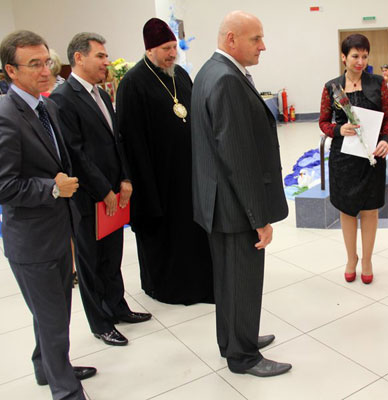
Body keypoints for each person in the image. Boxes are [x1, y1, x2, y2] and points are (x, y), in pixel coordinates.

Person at [191, 10, 291, 377]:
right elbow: (238, 158)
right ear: (231, 39)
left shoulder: (210, 71)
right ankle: (244, 356)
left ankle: (234, 339)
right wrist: (258, 218)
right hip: (234, 206)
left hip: (217, 201)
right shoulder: (227, 80)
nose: (263, 46)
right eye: (256, 38)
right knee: (242, 281)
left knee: (228, 280)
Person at [0, 30, 95, 400]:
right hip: (32, 241)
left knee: (55, 312)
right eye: (34, 64)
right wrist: (52, 188)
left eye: (47, 62)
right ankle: (65, 389)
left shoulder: (47, 107)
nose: (45, 71)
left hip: (59, 230)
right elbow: (4, 186)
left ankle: (48, 366)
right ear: (11, 70)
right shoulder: (6, 116)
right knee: (53, 318)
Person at [51, 32, 152, 347]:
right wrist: (104, 191)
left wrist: (125, 179)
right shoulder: (64, 99)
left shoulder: (103, 95)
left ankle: (117, 307)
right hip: (89, 199)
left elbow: (115, 141)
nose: (106, 62)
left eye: (106, 56)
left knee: (112, 257)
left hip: (114, 194)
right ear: (79, 58)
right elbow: (76, 154)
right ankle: (100, 322)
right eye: (100, 56)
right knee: (91, 264)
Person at [116, 18, 214, 305]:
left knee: (192, 232)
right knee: (168, 234)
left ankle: (199, 282)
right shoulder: (132, 83)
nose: (172, 54)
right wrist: (143, 186)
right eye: (166, 49)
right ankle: (168, 288)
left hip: (189, 173)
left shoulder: (180, 75)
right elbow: (131, 140)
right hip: (157, 179)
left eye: (174, 47)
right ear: (150, 50)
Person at [319, 34, 388, 284]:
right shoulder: (332, 87)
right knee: (347, 210)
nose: (360, 61)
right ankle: (352, 258)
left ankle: (368, 259)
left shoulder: (378, 83)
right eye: (355, 56)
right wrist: (339, 129)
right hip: (344, 158)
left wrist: (386, 140)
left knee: (370, 210)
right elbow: (323, 122)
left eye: (364, 56)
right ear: (343, 57)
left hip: (372, 155)